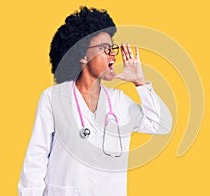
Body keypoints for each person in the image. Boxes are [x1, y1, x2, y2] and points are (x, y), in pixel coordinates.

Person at [18, 6, 172, 196]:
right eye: (104, 48)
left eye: (112, 47)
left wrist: (140, 82)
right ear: (83, 55)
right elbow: (36, 158)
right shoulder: (53, 99)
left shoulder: (119, 103)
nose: (113, 54)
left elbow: (162, 124)